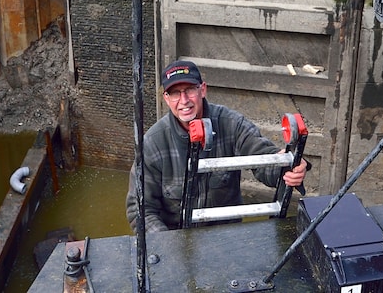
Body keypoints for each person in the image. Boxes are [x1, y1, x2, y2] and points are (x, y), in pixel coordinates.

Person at [126, 59, 308, 232]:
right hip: (176, 239)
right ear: (166, 98)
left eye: (189, 89)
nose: (183, 101)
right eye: (175, 93)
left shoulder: (232, 124)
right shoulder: (152, 143)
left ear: (202, 89)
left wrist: (289, 166)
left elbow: (264, 161)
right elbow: (140, 210)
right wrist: (168, 248)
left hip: (225, 237)